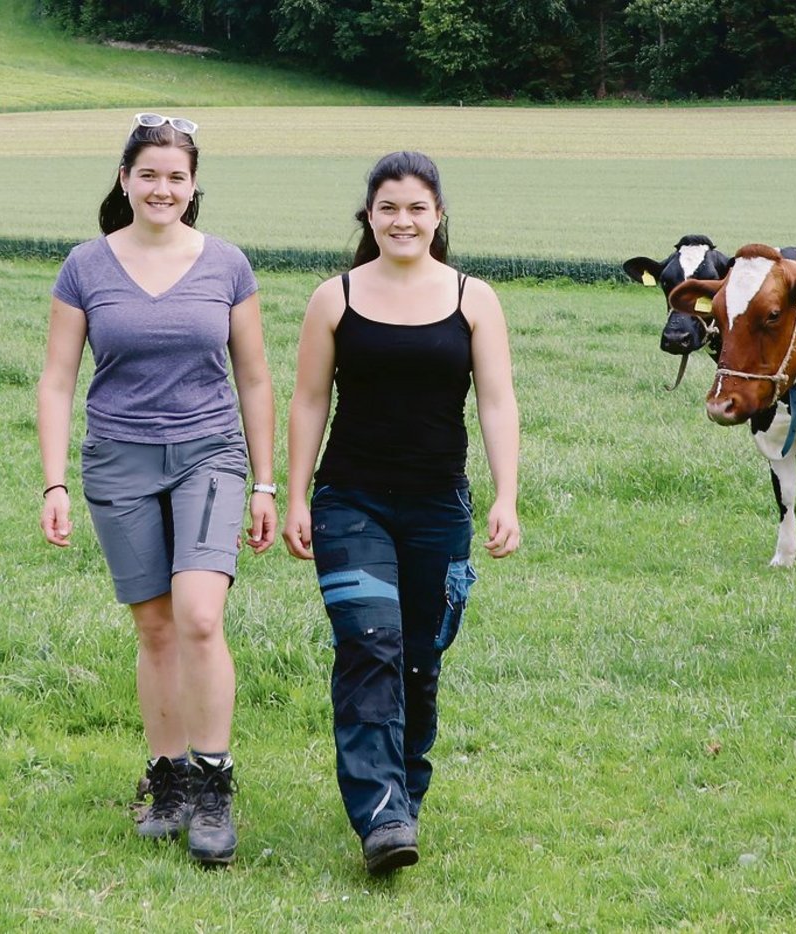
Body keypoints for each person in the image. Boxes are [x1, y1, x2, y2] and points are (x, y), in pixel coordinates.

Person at [37, 113, 276, 867]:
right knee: (156, 628)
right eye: (149, 174)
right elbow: (56, 380)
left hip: (209, 453)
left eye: (176, 176)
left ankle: (213, 785)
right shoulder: (85, 267)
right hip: (118, 459)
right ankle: (167, 778)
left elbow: (256, 378)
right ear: (124, 179)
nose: (162, 188)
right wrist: (53, 481)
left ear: (194, 185)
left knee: (200, 616)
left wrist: (264, 481)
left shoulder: (228, 265)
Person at [283, 150, 520, 875]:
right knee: (369, 644)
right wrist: (293, 492)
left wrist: (506, 494)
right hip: (349, 499)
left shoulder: (473, 298)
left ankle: (404, 795)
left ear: (439, 216)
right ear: (369, 216)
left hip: (438, 505)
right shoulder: (336, 298)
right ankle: (380, 814)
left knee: (420, 658)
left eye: (417, 207)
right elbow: (309, 400)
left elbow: (497, 401)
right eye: (388, 207)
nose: (402, 220)